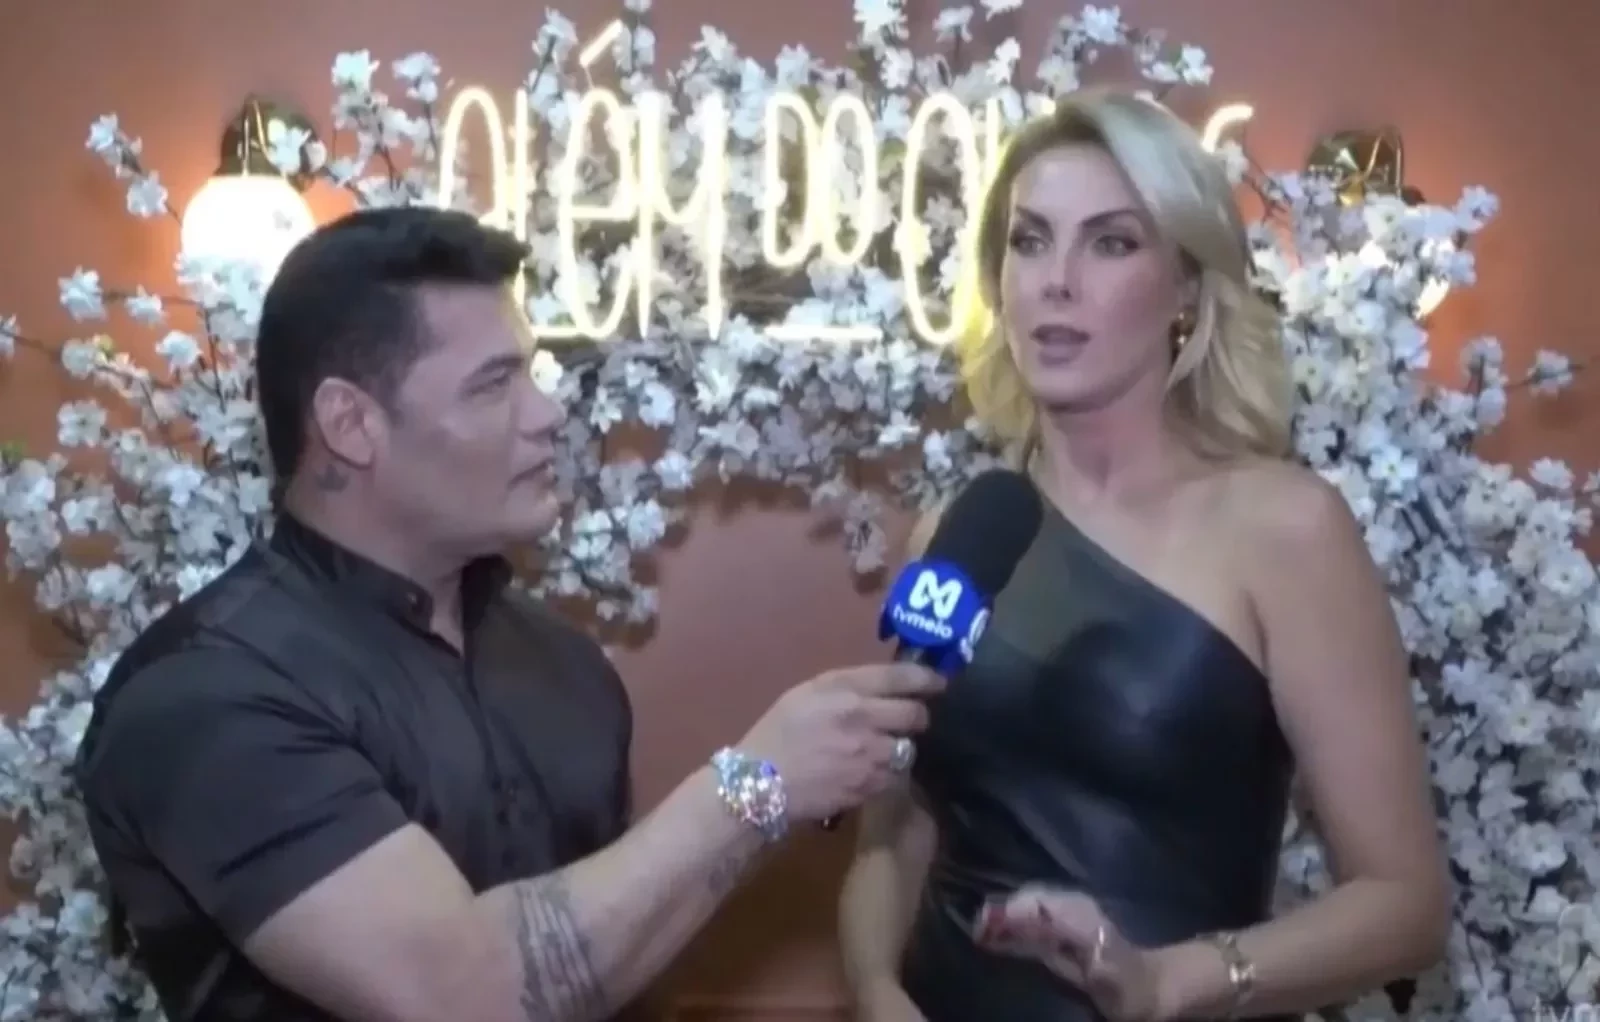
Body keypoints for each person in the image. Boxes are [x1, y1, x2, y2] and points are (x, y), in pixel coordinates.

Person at [75, 206, 942, 1022]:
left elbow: (611, 963)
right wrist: (757, 783)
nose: (548, 413)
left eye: (532, 372)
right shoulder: (206, 692)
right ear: (350, 424)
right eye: (494, 385)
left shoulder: (563, 666)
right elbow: (463, 994)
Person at [838, 89, 1450, 1022]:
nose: (1056, 280)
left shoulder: (1286, 529)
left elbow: (1404, 906)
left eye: (1111, 242)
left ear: (1187, 290)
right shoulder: (961, 530)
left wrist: (1173, 983)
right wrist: (878, 993)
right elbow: (893, 832)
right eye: (1030, 240)